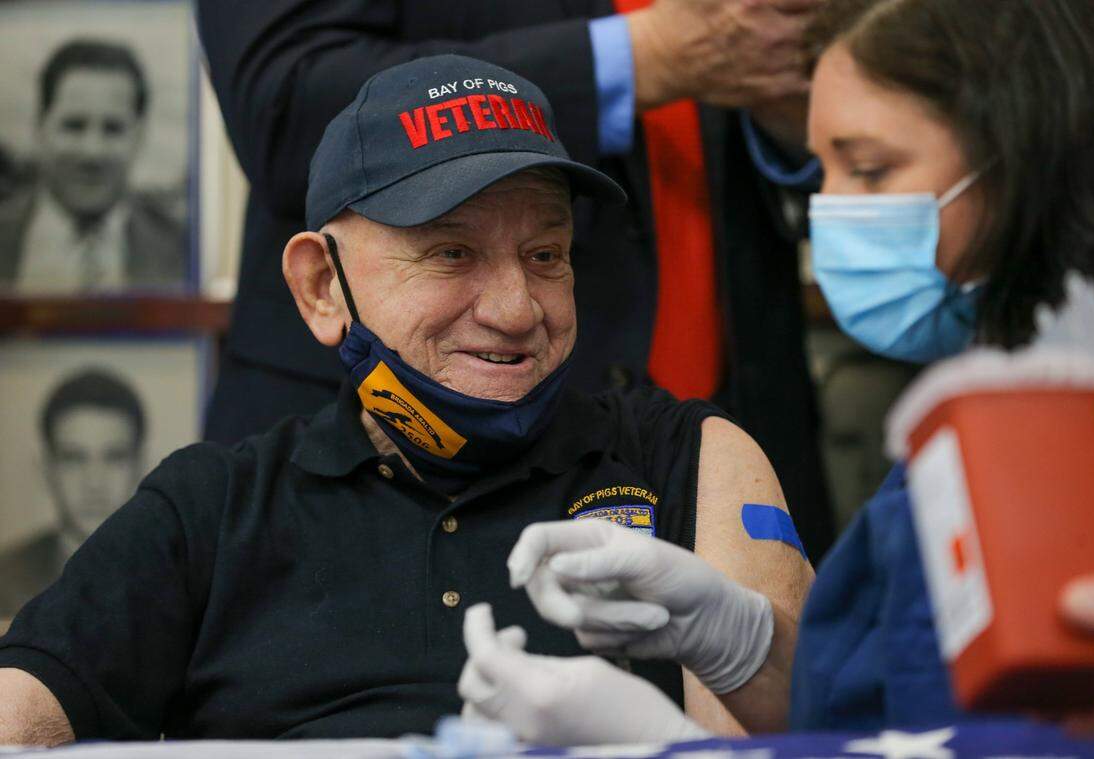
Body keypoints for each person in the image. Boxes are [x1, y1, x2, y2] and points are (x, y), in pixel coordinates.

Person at [0, 56, 813, 746]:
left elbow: (812, 732)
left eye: (546, 252)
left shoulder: (688, 457)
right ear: (322, 287)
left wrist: (732, 660)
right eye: (451, 252)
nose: (516, 308)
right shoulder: (209, 508)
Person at [457, 0, 1094, 744]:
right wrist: (742, 643)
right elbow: (882, 707)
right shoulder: (985, 421)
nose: (828, 211)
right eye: (823, 170)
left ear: (1030, 157)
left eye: (871, 169)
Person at [196, 0, 838, 564]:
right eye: (450, 250)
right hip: (396, 456)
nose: (513, 307)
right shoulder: (186, 508)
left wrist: (801, 112)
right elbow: (280, 100)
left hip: (735, 413)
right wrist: (643, 58)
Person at [0, 38, 185, 293]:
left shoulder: (185, 248)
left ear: (139, 137)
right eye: (74, 126)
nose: (92, 152)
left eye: (113, 129)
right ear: (40, 127)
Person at [0, 369, 147, 618]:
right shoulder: (6, 579)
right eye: (73, 458)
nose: (94, 482)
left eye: (114, 457)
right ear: (46, 469)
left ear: (140, 466)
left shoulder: (177, 575)